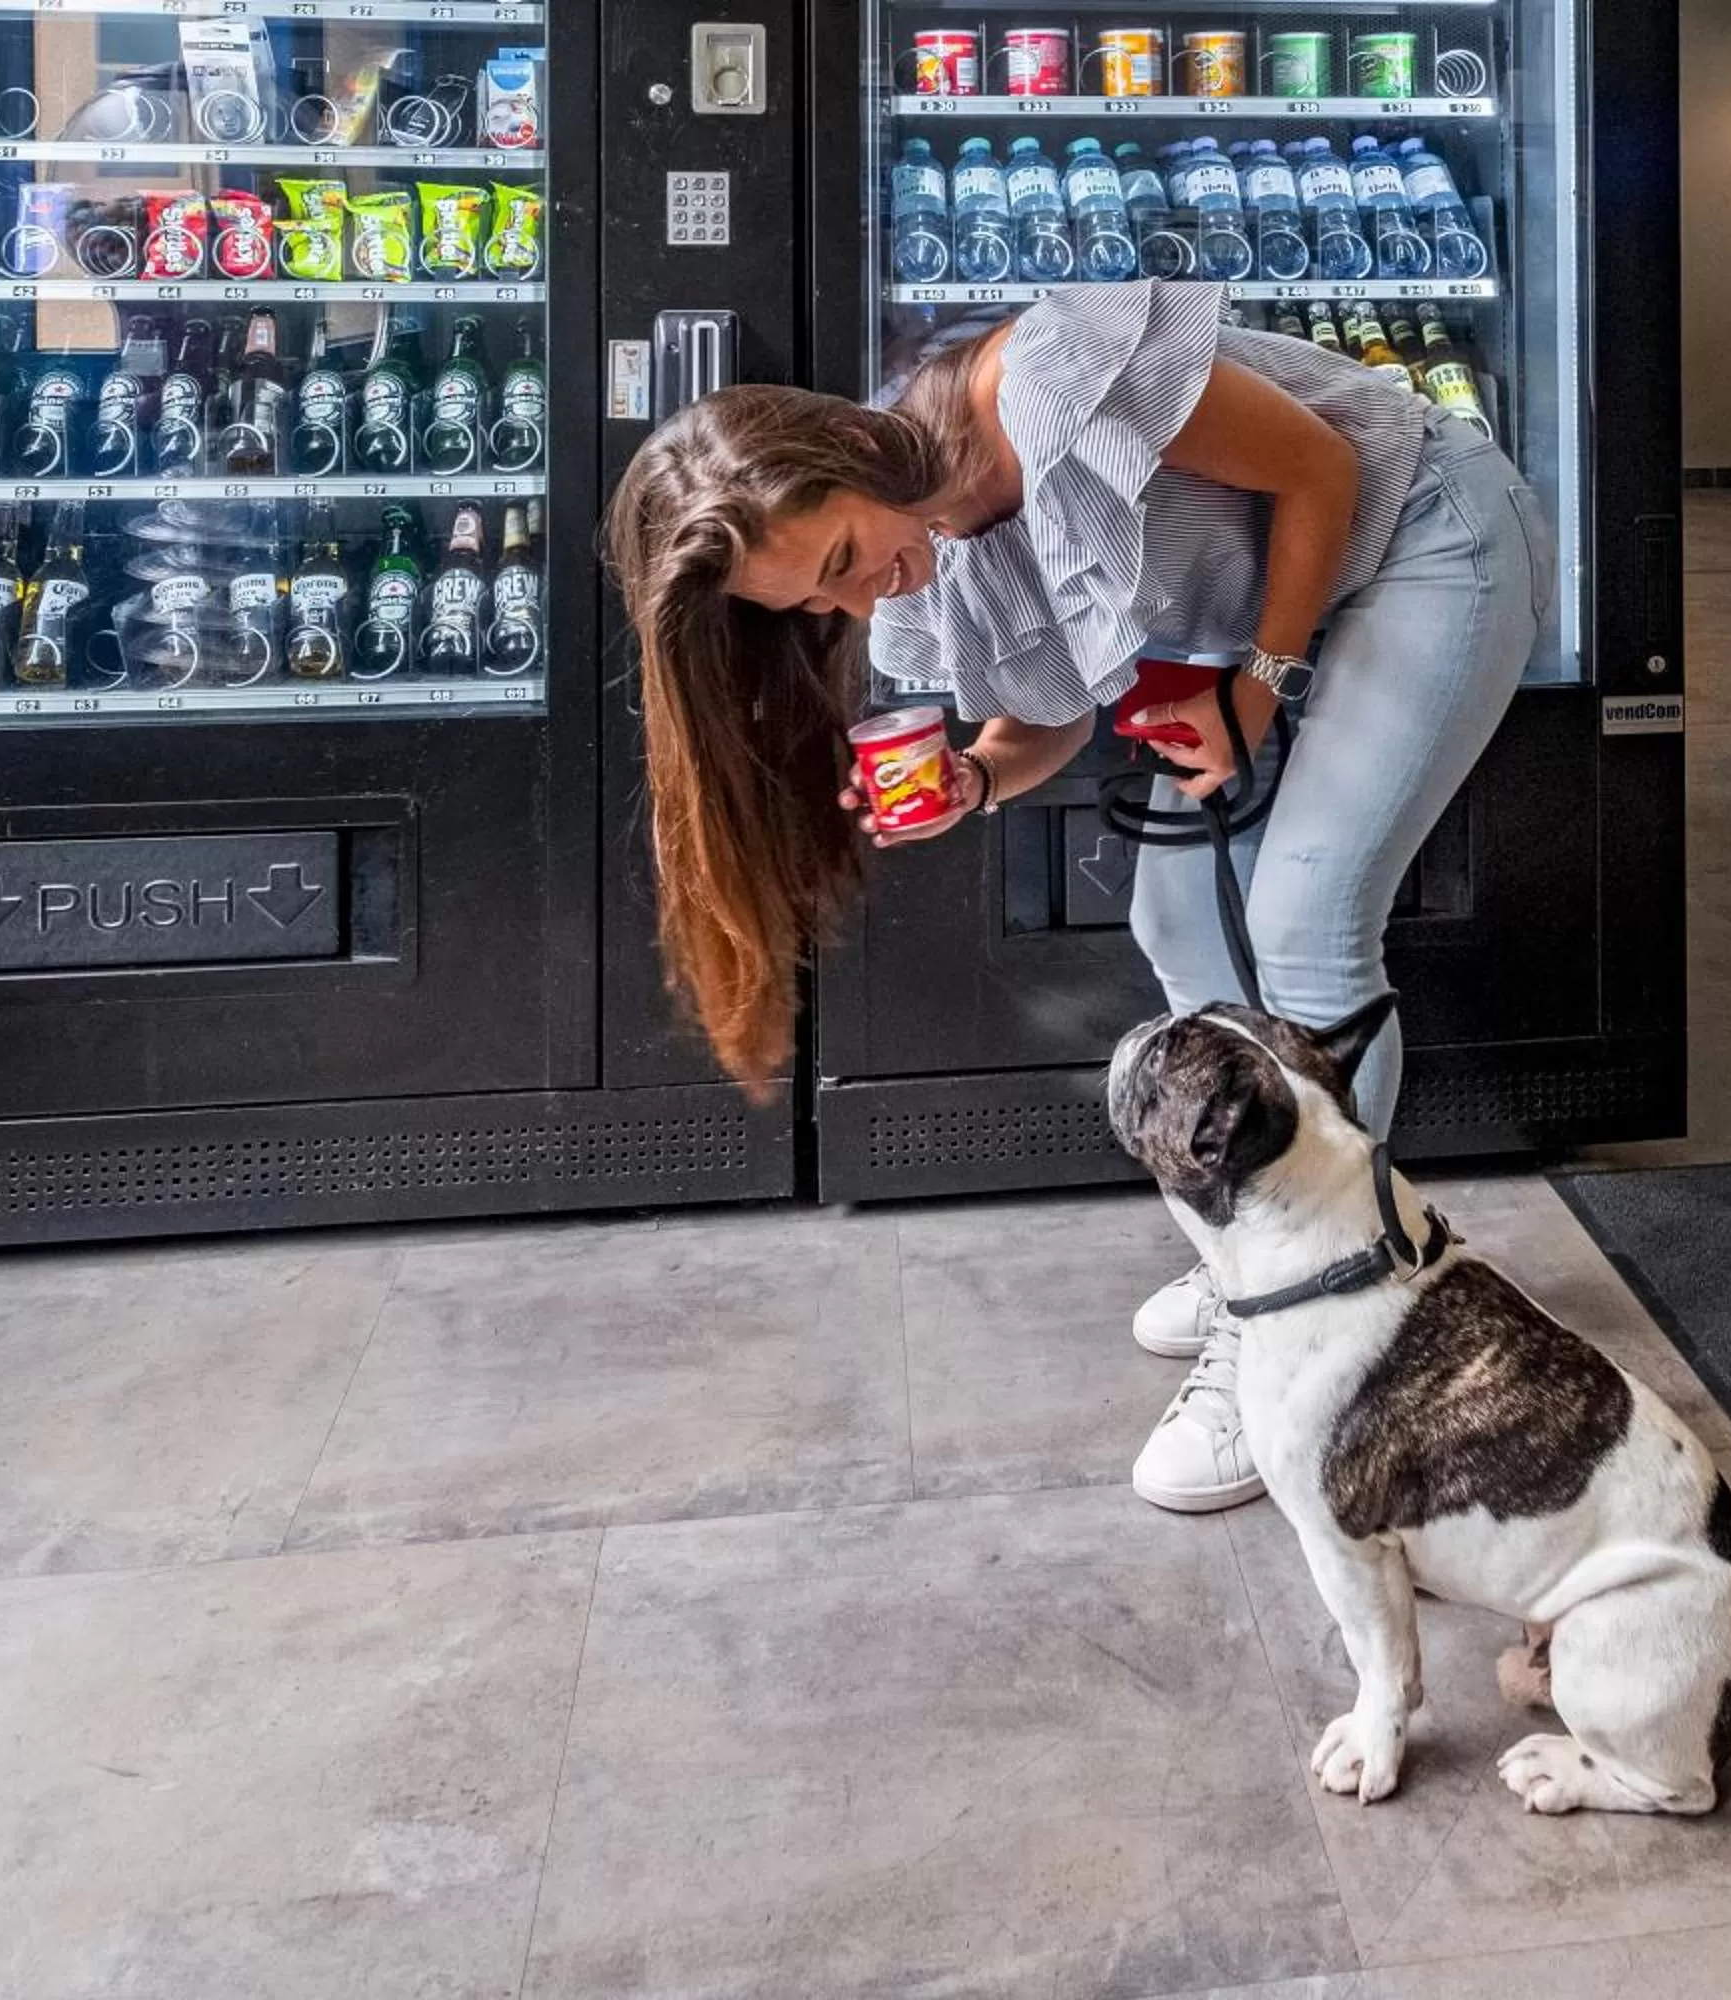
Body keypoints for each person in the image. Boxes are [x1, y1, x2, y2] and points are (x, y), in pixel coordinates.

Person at [605, 281, 1553, 1515]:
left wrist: (1253, 695)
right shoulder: (920, 541)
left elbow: (1321, 469)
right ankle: (1251, 1231)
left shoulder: (1054, 378)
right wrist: (976, 775)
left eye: (840, 560)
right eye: (816, 604)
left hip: (1427, 537)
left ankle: (1319, 1322)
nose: (856, 601)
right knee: (1176, 917)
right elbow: (1049, 705)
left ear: (849, 452)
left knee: (1306, 922)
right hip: (1290, 606)